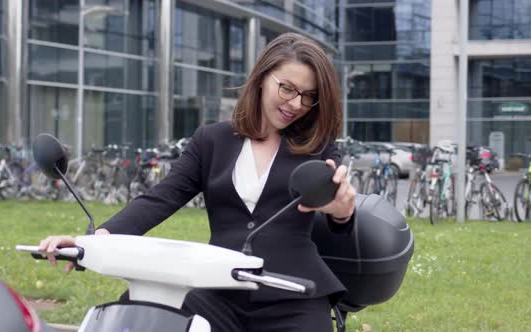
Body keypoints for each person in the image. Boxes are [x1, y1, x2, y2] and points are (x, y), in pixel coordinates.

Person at [39, 32, 357, 332]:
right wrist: (93, 241)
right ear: (262, 78)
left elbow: (336, 209)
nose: (296, 104)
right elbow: (160, 198)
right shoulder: (212, 140)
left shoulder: (320, 148)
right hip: (219, 288)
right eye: (287, 88)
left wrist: (341, 210)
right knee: (142, 316)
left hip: (293, 294)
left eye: (308, 97)